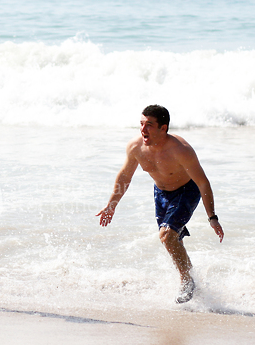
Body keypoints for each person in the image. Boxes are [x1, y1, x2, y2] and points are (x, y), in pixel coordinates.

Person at [96, 105, 224, 304]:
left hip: (186, 191)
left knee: (166, 236)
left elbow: (202, 182)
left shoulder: (181, 150)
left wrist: (212, 217)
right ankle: (191, 280)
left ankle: (187, 281)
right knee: (172, 240)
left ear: (163, 128)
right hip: (161, 194)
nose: (143, 130)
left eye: (149, 125)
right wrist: (112, 204)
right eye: (141, 124)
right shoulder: (135, 147)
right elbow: (125, 176)